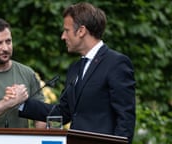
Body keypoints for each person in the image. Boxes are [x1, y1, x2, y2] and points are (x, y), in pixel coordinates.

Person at [12, 2, 136, 143]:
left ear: (81, 31)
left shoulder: (116, 63)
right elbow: (63, 113)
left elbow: (125, 118)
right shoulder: (75, 68)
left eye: (67, 30)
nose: (63, 36)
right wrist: (22, 103)